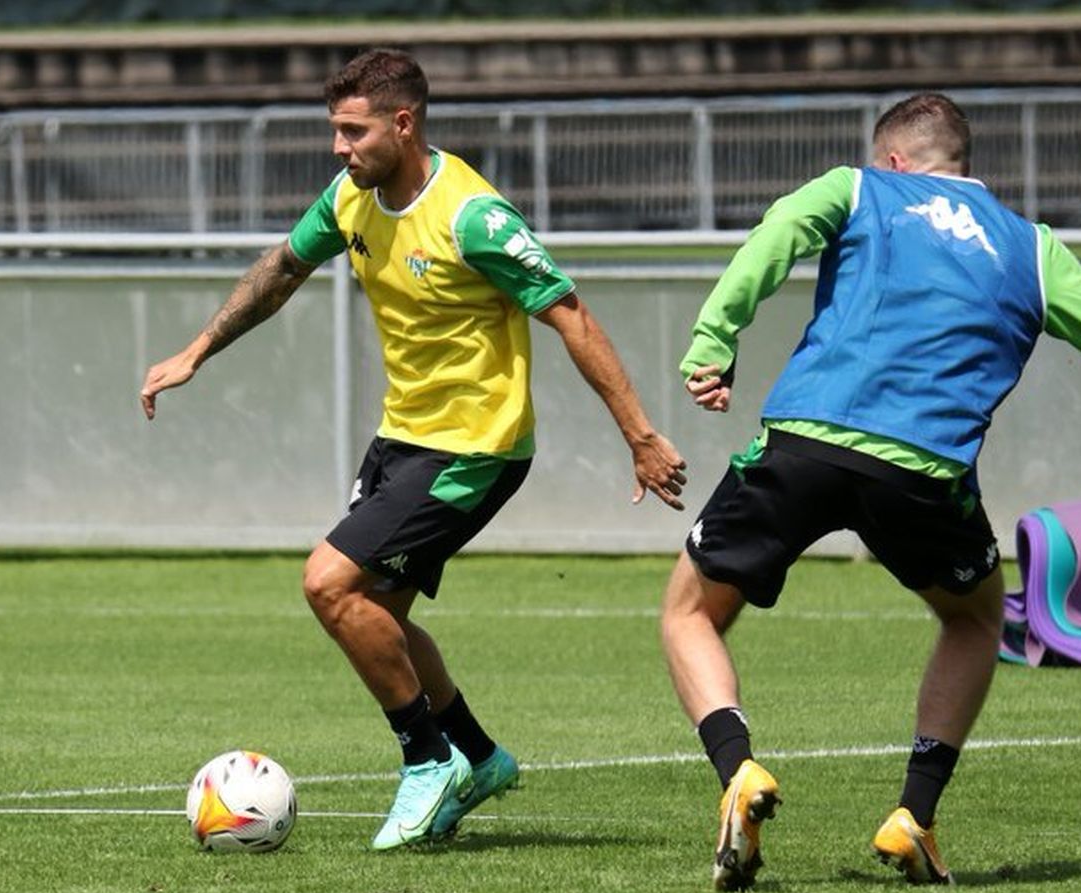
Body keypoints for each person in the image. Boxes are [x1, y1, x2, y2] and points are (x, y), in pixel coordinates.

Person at [140, 48, 687, 851]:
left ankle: (427, 761)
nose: (339, 147)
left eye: (353, 131)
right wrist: (197, 351)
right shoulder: (350, 198)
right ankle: (479, 757)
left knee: (328, 585)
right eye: (335, 130)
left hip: (475, 449)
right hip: (402, 437)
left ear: (403, 124)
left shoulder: (474, 218)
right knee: (379, 615)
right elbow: (283, 269)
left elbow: (570, 313)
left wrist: (640, 435)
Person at [660, 92, 1081, 890]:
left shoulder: (858, 188)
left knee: (689, 611)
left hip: (807, 440)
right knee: (976, 617)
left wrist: (715, 338)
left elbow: (775, 233)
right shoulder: (1032, 248)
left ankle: (739, 770)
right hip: (923, 472)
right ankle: (914, 815)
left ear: (895, 160)